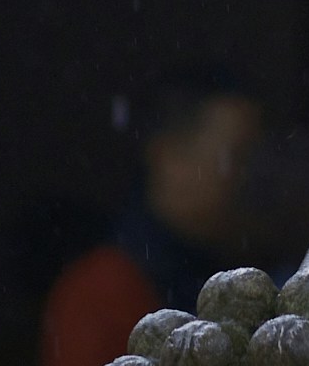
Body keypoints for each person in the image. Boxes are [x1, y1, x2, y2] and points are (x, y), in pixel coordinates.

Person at [40, 68, 266, 366]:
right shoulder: (101, 290)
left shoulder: (230, 271)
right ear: (168, 155)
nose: (251, 179)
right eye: (237, 157)